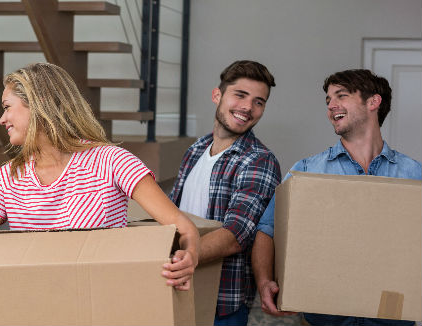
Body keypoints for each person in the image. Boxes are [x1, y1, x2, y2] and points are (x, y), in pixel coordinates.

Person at [0, 62, 201, 320]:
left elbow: (183, 228)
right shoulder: (8, 176)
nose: (2, 119)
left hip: (100, 308)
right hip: (32, 309)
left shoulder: (111, 160)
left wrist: (189, 257)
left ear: (40, 104)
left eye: (7, 107)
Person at [252, 69, 421, 326]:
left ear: (373, 102)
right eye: (328, 100)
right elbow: (267, 229)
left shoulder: (413, 175)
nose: (331, 106)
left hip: (391, 317)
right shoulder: (307, 170)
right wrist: (264, 282)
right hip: (324, 318)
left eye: (340, 96)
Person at [168, 60, 281, 325]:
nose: (247, 108)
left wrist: (185, 256)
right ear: (217, 95)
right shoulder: (196, 150)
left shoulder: (259, 160)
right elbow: (172, 213)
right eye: (240, 95)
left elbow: (235, 235)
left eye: (258, 102)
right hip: (176, 287)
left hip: (220, 302)